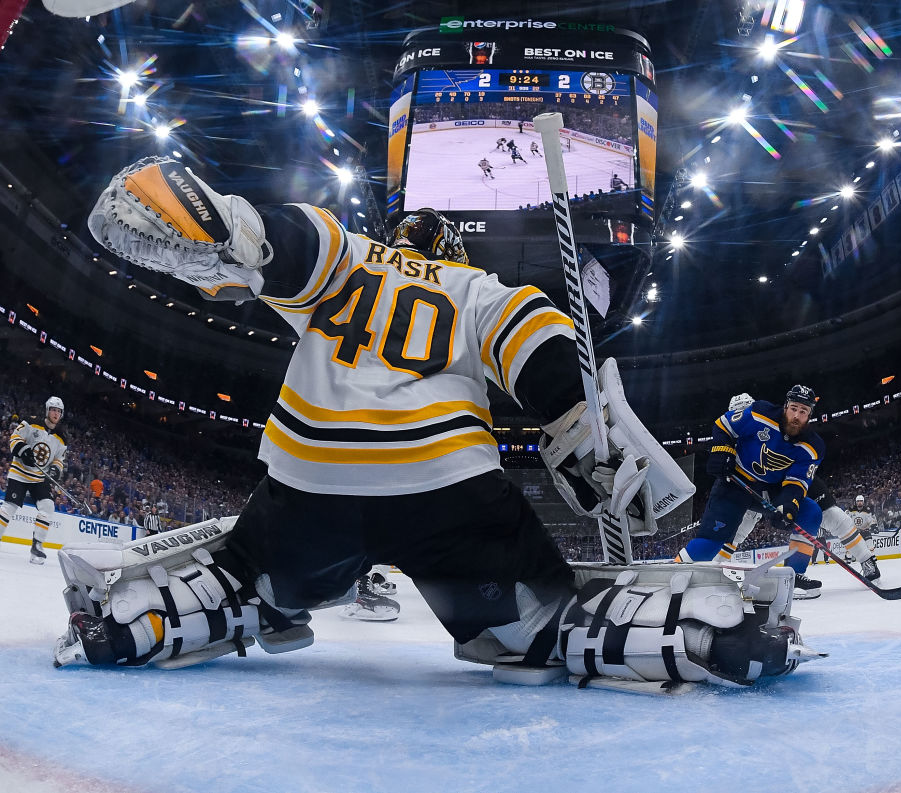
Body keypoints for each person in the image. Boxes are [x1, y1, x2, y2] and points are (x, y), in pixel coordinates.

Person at [53, 156, 818, 689]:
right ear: (450, 249)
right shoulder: (476, 286)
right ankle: (710, 634)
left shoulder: (351, 257)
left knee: (253, 580)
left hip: (311, 483)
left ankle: (136, 624)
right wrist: (583, 429)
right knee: (544, 624)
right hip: (444, 487)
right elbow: (542, 347)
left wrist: (226, 228)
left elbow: (277, 245)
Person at [696, 394, 880, 585]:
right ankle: (711, 571)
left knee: (832, 516)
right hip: (751, 485)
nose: (740, 416)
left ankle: (864, 559)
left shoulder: (766, 421)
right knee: (736, 529)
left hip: (789, 481)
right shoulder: (737, 430)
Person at [676, 385, 827, 598]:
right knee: (711, 542)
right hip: (734, 483)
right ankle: (672, 574)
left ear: (809, 415)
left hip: (769, 490)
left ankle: (793, 578)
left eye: (803, 411)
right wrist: (722, 451)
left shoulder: (813, 446)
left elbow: (797, 481)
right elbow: (723, 425)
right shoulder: (759, 412)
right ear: (785, 406)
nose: (796, 416)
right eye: (794, 408)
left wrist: (788, 504)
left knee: (811, 513)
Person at [0, 396, 68, 564]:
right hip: (20, 473)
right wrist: (23, 450)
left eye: (59, 411)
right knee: (9, 507)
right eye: (53, 410)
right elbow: (15, 438)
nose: (55, 413)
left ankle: (37, 546)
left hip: (38, 477)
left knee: (48, 506)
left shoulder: (62, 437)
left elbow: (59, 459)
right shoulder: (31, 422)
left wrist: (55, 469)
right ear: (47, 410)